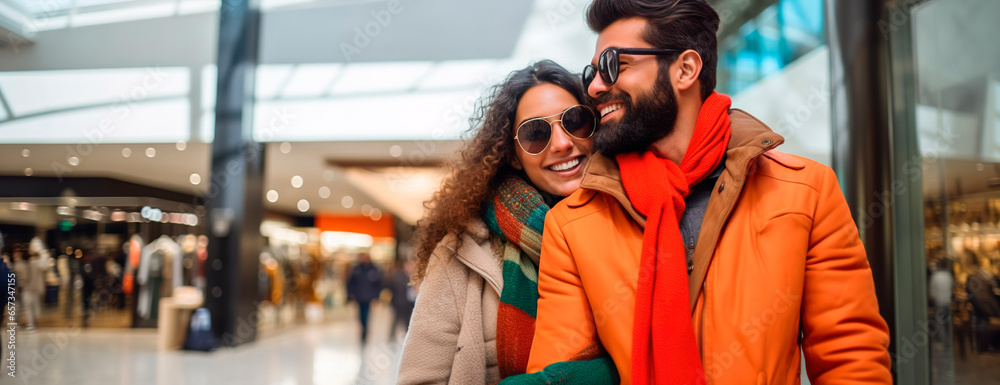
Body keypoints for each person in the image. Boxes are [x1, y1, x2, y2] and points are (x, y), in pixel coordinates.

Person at [526, 1, 892, 384]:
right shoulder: (572, 225)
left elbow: (850, 359)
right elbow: (562, 374)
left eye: (615, 65)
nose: (596, 86)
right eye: (593, 72)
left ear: (685, 69)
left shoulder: (805, 192)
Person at [398, 60, 617, 384]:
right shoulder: (462, 251)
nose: (561, 143)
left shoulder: (638, 224)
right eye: (535, 133)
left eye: (575, 121)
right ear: (513, 155)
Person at [346, 252, 382, 343]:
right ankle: (363, 328)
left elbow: (379, 284)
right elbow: (350, 283)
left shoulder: (374, 270)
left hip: (369, 297)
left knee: (366, 315)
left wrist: (376, 296)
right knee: (360, 316)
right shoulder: (356, 269)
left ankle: (365, 331)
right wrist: (351, 293)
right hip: (359, 297)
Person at [387, 259, 416, 340]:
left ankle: (407, 338)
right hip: (399, 303)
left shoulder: (414, 277)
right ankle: (391, 338)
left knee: (408, 322)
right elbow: (391, 288)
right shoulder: (398, 276)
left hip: (409, 304)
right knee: (396, 321)